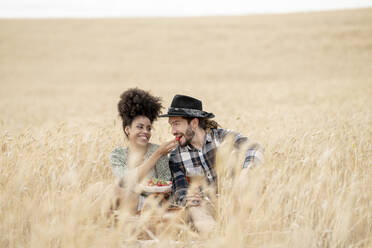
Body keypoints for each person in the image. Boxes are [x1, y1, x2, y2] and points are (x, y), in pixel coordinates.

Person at [159, 94, 264, 234]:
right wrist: (188, 197)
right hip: (206, 208)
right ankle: (217, 238)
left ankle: (246, 231)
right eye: (171, 125)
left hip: (236, 200)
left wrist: (246, 171)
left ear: (194, 123)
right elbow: (180, 190)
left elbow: (255, 148)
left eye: (176, 123)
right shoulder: (176, 156)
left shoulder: (222, 138)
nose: (172, 131)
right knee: (194, 208)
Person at [110, 88, 177, 213]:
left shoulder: (158, 150)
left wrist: (158, 154)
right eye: (140, 127)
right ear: (127, 129)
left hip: (151, 205)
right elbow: (124, 180)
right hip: (126, 204)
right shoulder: (117, 154)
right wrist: (156, 155)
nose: (145, 132)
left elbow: (166, 183)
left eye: (149, 128)